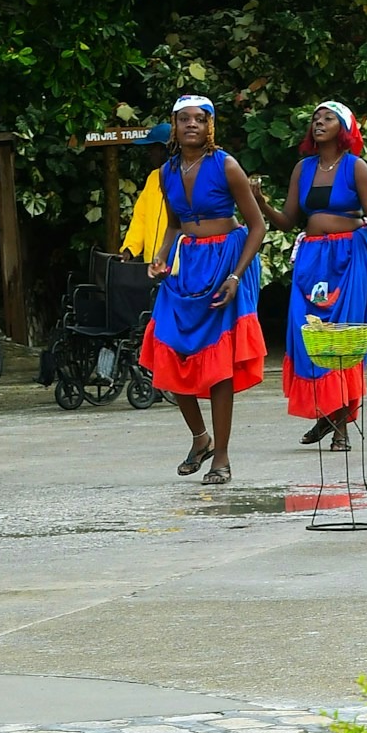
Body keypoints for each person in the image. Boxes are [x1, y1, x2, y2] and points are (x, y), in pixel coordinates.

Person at [139, 97, 266, 485]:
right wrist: (160, 256)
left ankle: (222, 457)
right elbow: (175, 225)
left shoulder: (225, 164)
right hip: (188, 264)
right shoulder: (167, 171)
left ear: (210, 125)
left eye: (199, 119)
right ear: (174, 126)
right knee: (170, 351)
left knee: (219, 364)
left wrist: (235, 277)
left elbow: (257, 226)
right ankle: (200, 438)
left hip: (226, 262)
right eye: (183, 119)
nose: (191, 124)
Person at [256, 102, 367, 448]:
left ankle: (341, 426)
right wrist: (262, 202)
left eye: (327, 118)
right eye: (315, 118)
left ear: (343, 127)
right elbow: (288, 220)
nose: (319, 123)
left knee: (343, 336)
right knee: (307, 333)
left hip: (350, 256)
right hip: (313, 257)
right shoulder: (303, 168)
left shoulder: (356, 168)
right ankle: (325, 413)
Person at [120, 123, 173, 259]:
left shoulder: (186, 178)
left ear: (164, 149)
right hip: (152, 265)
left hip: (179, 268)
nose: (149, 153)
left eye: (152, 148)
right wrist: (129, 249)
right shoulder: (153, 178)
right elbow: (140, 217)